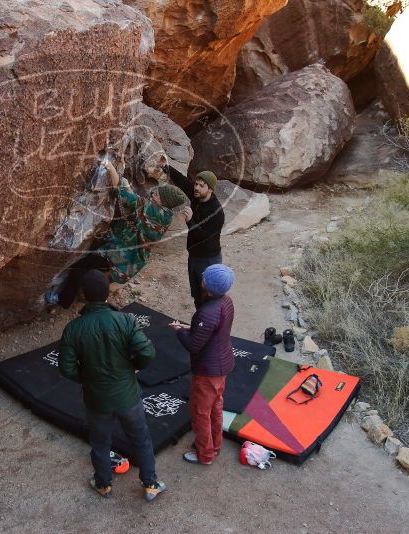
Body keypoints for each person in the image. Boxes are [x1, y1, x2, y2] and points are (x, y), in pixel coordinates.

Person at [58, 269, 167, 501]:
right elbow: (147, 353)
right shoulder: (125, 320)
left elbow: (66, 367)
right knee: (141, 439)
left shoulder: (73, 329)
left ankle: (103, 484)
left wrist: (87, 378)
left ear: (84, 295)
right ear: (108, 293)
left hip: (97, 399)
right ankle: (150, 483)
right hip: (128, 395)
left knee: (100, 442)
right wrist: (132, 368)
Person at [53, 160, 191, 309]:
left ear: (163, 202)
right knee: (95, 273)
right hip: (132, 259)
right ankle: (97, 302)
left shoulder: (150, 211)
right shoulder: (166, 215)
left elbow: (124, 192)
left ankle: (63, 301)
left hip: (119, 256)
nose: (152, 194)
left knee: (80, 268)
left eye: (156, 195)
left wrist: (110, 166)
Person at [169, 264, 235, 465]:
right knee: (216, 406)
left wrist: (179, 331)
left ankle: (205, 455)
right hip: (223, 363)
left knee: (200, 412)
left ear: (207, 284)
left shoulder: (207, 312)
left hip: (208, 370)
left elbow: (194, 345)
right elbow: (214, 329)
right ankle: (215, 445)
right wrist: (190, 327)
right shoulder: (227, 301)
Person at [165, 162, 225, 309]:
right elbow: (182, 181)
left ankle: (208, 325)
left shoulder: (216, 212)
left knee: (209, 296)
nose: (196, 188)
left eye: (201, 185)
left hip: (208, 259)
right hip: (194, 256)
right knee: (197, 295)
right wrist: (165, 166)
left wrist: (190, 220)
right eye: (196, 184)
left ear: (210, 189)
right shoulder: (197, 196)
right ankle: (200, 324)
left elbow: (204, 238)